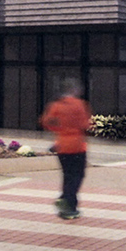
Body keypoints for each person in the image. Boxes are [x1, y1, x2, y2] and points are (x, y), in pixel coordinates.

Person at [40, 80, 92, 220]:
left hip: (61, 145)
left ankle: (70, 208)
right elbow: (85, 124)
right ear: (74, 90)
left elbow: (46, 121)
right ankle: (66, 200)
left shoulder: (55, 105)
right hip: (77, 146)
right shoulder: (80, 105)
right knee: (77, 175)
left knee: (67, 175)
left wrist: (59, 130)